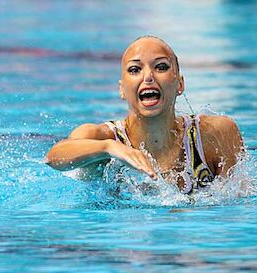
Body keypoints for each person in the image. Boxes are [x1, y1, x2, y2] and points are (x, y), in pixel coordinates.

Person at [45, 36, 244, 194]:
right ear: (122, 90)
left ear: (180, 84)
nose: (148, 76)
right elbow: (54, 157)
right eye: (135, 69)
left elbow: (239, 204)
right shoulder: (104, 138)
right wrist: (108, 148)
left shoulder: (214, 134)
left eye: (161, 67)